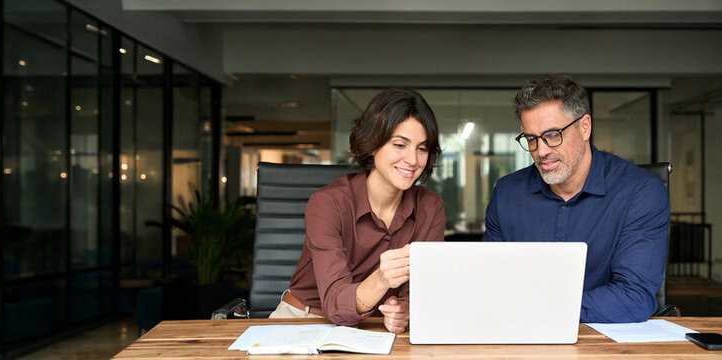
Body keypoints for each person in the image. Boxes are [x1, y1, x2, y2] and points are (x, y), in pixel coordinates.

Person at [483, 74, 669, 323]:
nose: (541, 151)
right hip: (521, 338)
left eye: (552, 135)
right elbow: (487, 283)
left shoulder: (640, 192)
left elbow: (633, 297)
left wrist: (540, 310)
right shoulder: (507, 193)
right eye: (531, 139)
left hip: (603, 344)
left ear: (585, 127)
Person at [269, 88, 446, 334]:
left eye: (422, 148)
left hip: (375, 328)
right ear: (373, 144)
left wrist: (405, 310)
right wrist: (382, 279)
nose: (412, 160)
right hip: (305, 319)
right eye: (399, 145)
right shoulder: (327, 203)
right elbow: (334, 303)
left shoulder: (430, 207)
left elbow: (426, 290)